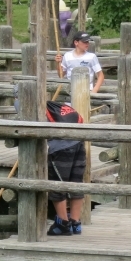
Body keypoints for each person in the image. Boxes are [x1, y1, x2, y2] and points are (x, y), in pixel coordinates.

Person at [45, 99, 86, 236]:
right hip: (79, 141)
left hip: (60, 147)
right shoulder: (54, 104)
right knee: (76, 181)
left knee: (57, 183)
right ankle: (75, 222)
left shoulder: (21, 103)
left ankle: (62, 223)